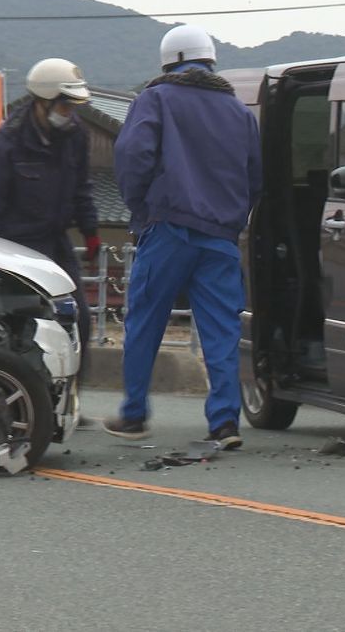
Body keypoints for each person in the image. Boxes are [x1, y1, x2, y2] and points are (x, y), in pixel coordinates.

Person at [104, 25, 262, 449]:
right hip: (220, 237)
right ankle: (225, 422)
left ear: (169, 60)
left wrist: (142, 209)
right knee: (221, 331)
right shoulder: (240, 112)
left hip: (168, 228)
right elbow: (254, 178)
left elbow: (132, 155)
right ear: (210, 60)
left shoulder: (154, 99)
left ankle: (135, 414)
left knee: (145, 321)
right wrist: (233, 221)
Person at [0, 58, 100, 354]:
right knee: (24, 325)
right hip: (16, 246)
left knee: (78, 319)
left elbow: (82, 186)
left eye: (72, 108)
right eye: (64, 107)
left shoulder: (75, 135)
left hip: (56, 242)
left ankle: (72, 393)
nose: (69, 114)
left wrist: (90, 230)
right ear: (43, 102)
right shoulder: (10, 141)